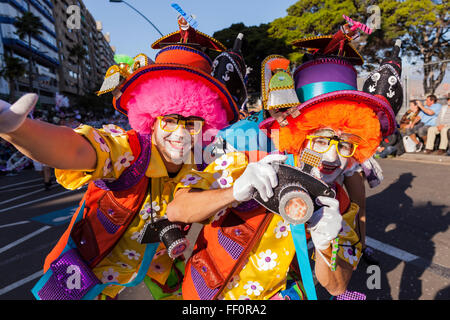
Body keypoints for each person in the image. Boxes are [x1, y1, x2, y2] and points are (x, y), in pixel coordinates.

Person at [0, 22, 240, 300]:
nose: (180, 133)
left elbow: (183, 205)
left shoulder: (196, 164)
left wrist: (236, 190)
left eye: (192, 123)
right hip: (89, 282)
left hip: (150, 284)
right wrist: (17, 130)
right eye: (170, 121)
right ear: (152, 119)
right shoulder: (129, 150)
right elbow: (76, 150)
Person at [168, 37, 403, 300]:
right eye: (322, 140)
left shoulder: (342, 205)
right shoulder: (248, 162)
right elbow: (178, 209)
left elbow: (337, 286)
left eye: (345, 145)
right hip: (207, 293)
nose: (332, 157)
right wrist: (233, 192)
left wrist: (326, 244)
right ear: (299, 135)